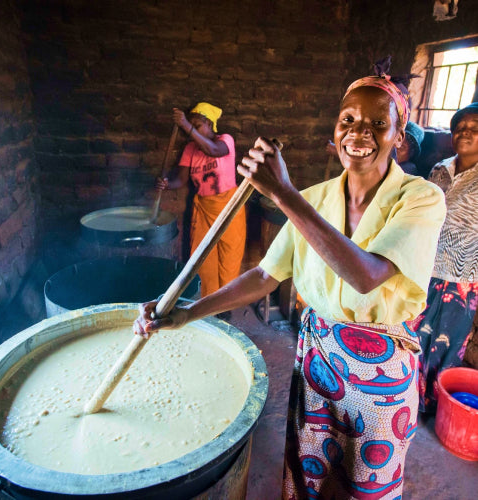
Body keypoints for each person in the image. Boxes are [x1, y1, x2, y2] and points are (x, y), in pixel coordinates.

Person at [135, 58, 446, 499]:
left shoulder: (420, 198)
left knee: (366, 483)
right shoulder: (315, 198)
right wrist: (189, 312)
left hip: (382, 376)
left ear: (399, 136)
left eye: (378, 123)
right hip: (317, 360)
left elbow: (365, 276)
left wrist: (282, 193)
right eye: (348, 120)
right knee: (309, 478)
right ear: (334, 133)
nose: (360, 132)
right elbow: (265, 274)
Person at [413, 102, 478, 414]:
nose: (464, 133)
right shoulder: (440, 170)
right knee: (415, 333)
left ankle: (433, 406)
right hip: (426, 265)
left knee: (446, 343)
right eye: (460, 128)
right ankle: (408, 395)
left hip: (464, 275)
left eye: (474, 128)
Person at [156, 102, 246, 297]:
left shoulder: (225, 140)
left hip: (229, 206)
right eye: (192, 126)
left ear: (210, 124)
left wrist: (186, 126)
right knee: (204, 257)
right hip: (204, 208)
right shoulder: (190, 148)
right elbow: (181, 179)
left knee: (229, 256)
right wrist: (167, 184)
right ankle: (208, 300)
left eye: (197, 126)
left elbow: (215, 151)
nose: (192, 131)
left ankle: (226, 301)